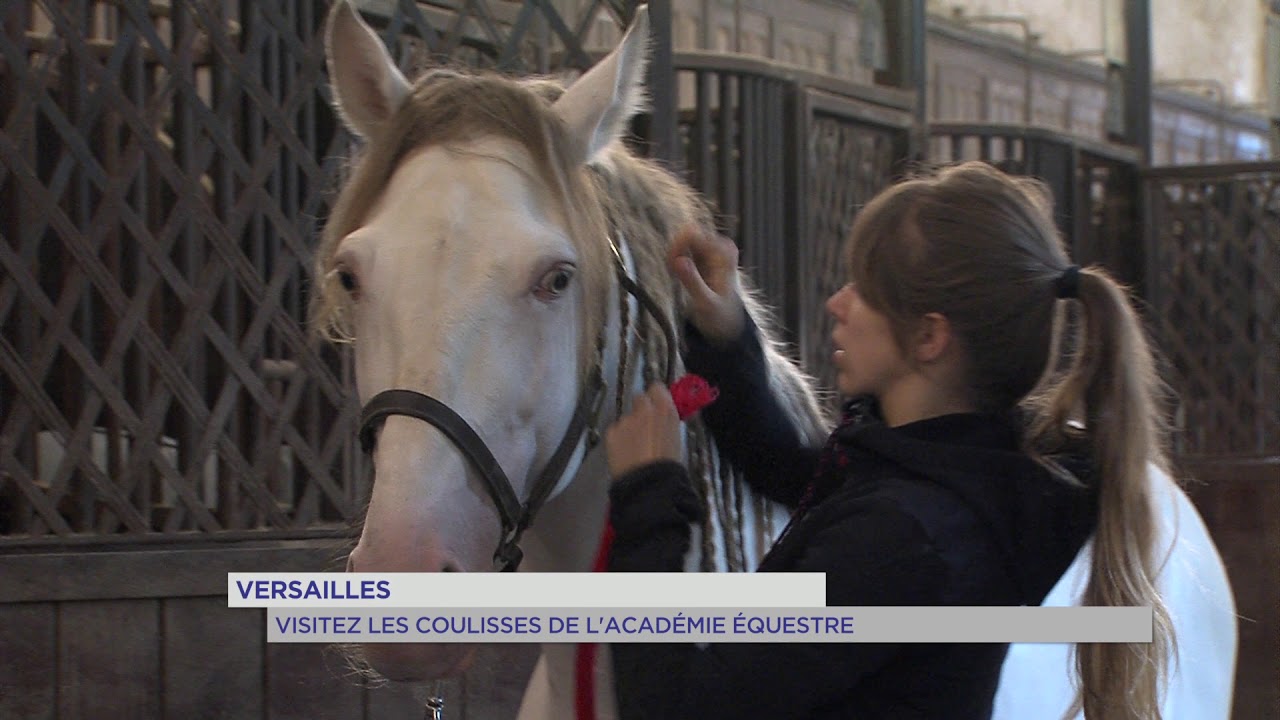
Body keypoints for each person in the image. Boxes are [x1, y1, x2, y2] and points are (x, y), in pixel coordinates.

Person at [603, 161, 1174, 720]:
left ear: (929, 336)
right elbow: (789, 470)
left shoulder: (903, 536)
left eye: (864, 290)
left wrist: (648, 494)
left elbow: (675, 706)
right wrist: (726, 336)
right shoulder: (959, 477)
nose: (838, 303)